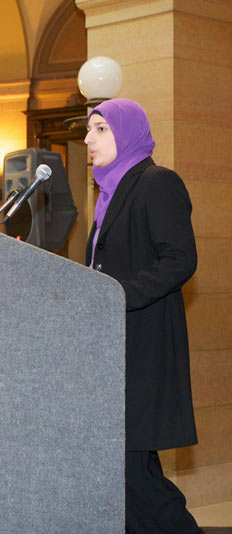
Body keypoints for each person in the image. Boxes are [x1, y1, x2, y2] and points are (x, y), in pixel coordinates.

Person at [84, 98, 201, 533]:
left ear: (126, 132)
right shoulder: (109, 194)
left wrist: (114, 296)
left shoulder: (157, 182)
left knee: (135, 479)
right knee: (129, 473)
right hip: (113, 350)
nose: (87, 139)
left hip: (143, 349)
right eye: (89, 130)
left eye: (99, 129)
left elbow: (179, 260)